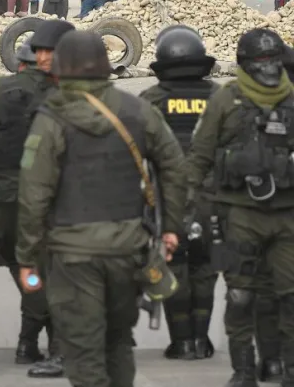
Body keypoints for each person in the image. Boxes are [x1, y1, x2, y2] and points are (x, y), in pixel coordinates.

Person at [16, 30, 187, 387]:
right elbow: (174, 165)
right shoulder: (138, 110)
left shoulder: (50, 120)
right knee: (118, 342)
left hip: (72, 254)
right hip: (129, 248)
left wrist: (28, 258)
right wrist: (170, 227)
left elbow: (34, 195)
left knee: (83, 351)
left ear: (59, 71)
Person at [186, 28, 294, 387]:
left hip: (287, 215)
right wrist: (188, 210)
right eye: (261, 61)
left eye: (274, 60)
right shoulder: (225, 99)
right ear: (246, 64)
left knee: (288, 294)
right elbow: (199, 155)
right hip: (238, 213)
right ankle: (243, 369)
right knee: (241, 294)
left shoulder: (292, 99)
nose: (269, 67)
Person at [0, 20, 73, 377]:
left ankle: (28, 338)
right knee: (54, 264)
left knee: (23, 264)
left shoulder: (2, 87)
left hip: (6, 194)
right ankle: (42, 334)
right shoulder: (65, 93)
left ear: (21, 62)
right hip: (52, 194)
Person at [138, 26, 219, 361]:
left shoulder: (150, 100)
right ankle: (202, 339)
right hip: (212, 197)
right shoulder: (220, 97)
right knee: (206, 267)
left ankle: (182, 341)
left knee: (175, 265)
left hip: (167, 197)